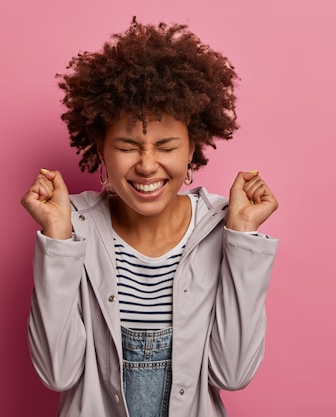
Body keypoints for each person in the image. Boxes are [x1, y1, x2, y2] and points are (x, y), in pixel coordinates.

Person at [21, 17, 279, 417]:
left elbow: (232, 373)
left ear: (192, 150)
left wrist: (243, 237)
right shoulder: (75, 228)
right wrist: (57, 240)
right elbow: (58, 374)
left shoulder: (221, 228)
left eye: (166, 146)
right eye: (127, 145)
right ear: (101, 150)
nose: (146, 165)